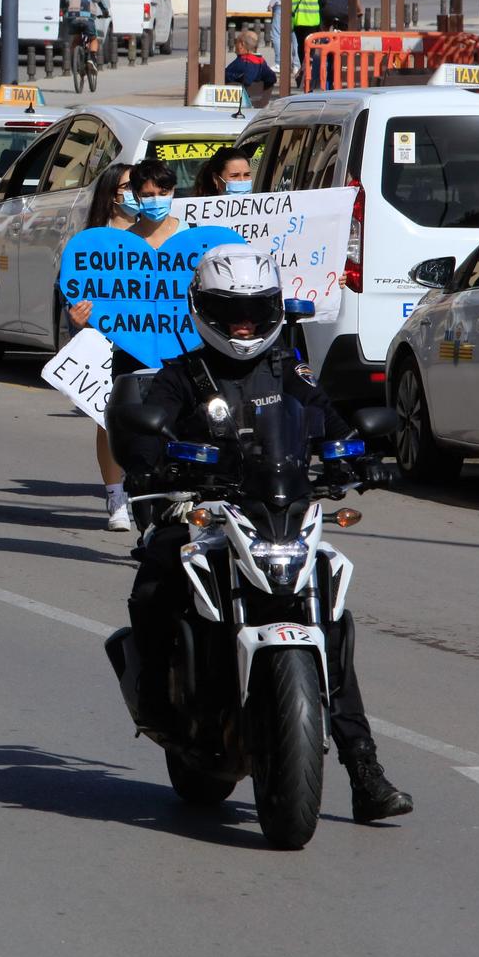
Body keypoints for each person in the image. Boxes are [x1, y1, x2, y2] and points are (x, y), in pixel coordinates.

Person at [115, 245, 414, 824]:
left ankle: (365, 771)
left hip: (278, 510)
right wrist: (151, 459)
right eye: (231, 311)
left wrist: (360, 453)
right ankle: (157, 699)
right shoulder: (181, 377)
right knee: (155, 580)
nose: (245, 323)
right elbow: (144, 435)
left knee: (331, 615)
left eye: (255, 309)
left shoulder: (288, 369)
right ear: (205, 310)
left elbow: (331, 423)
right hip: (202, 511)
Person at [65, 163, 140, 532]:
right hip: (109, 343)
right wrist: (78, 316)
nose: (139, 194)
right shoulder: (93, 242)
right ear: (113, 194)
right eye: (130, 186)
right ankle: (116, 495)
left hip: (154, 341)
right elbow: (75, 293)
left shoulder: (164, 235)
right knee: (109, 419)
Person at [58, 0, 111, 67]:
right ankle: (92, 58)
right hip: (88, 20)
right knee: (93, 38)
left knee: (76, 39)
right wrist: (105, 13)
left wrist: (67, 14)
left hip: (73, 19)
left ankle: (74, 61)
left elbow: (62, 5)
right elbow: (101, 2)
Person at [223, 28, 273, 105]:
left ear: (242, 44)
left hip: (236, 100)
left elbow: (224, 76)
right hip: (256, 101)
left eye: (236, 42)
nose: (235, 45)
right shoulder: (262, 62)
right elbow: (272, 78)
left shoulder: (242, 62)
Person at [290, 0, 322, 75]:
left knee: (300, 46)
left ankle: (304, 70)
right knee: (311, 48)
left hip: (299, 21)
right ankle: (309, 69)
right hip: (313, 21)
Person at [190, 146, 254, 198]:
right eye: (234, 176)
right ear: (215, 179)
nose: (242, 181)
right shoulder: (202, 211)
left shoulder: (258, 209)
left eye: (247, 175)